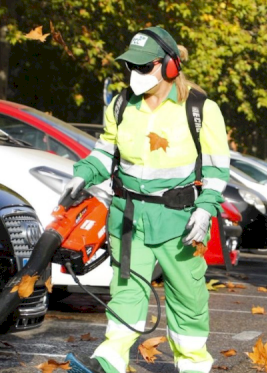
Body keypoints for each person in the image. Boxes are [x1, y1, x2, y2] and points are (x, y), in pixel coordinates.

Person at [63, 26, 230, 373]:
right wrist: (82, 174)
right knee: (126, 292)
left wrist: (206, 208)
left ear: (170, 66)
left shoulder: (200, 109)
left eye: (144, 67)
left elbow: (216, 171)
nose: (135, 74)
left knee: (188, 299)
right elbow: (103, 152)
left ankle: (194, 366)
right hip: (128, 220)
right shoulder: (121, 105)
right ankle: (108, 362)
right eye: (131, 67)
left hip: (180, 222)